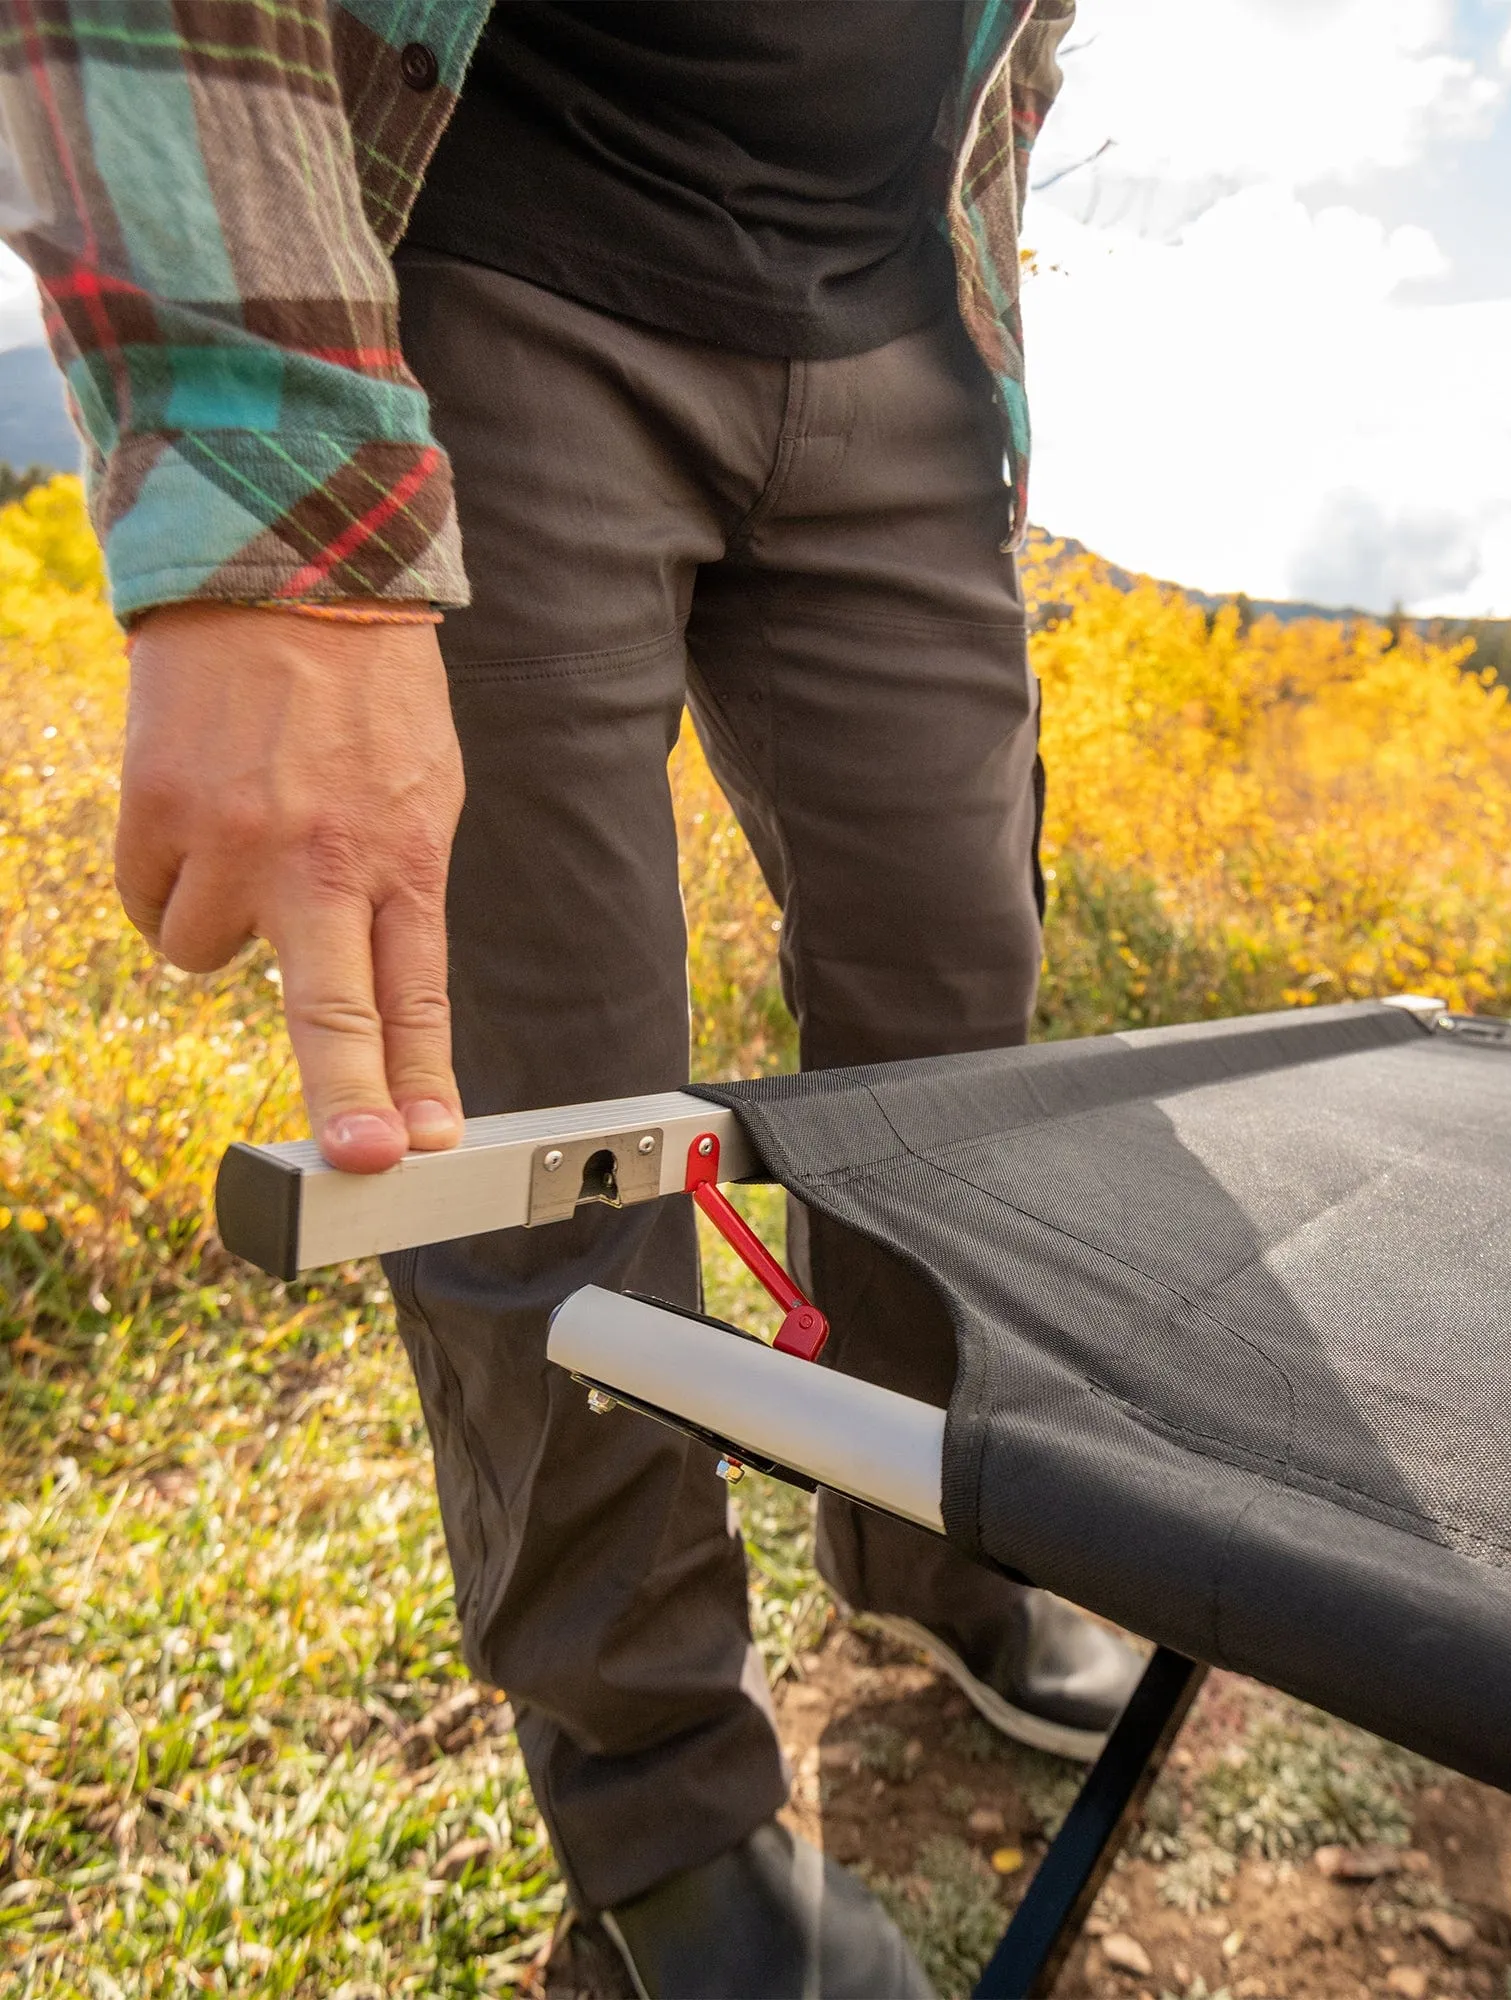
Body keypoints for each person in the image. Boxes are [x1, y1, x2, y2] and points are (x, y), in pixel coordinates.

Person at [0, 5, 1145, 1994]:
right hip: (498, 283)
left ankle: (930, 1545)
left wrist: (983, 371)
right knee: (547, 1140)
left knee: (961, 1026)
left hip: (895, 351)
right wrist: (275, 492)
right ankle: (660, 1801)